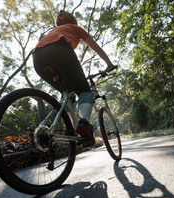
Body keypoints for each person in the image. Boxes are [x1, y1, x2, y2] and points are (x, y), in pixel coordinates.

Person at [33, 10, 115, 147]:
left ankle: (71, 129)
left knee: (67, 95)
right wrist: (109, 64)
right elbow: (96, 47)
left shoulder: (52, 32)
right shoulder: (75, 28)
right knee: (84, 91)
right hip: (59, 51)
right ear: (73, 21)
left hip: (37, 58)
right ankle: (84, 124)